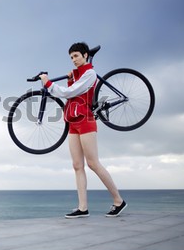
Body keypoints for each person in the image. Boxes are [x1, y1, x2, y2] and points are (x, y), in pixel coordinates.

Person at [39, 42, 127, 218]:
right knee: (77, 165)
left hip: (86, 121)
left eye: (76, 56)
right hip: (72, 122)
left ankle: (119, 201)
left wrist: (47, 83)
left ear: (85, 55)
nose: (73, 60)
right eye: (71, 57)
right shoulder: (78, 75)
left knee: (93, 163)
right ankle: (82, 208)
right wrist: (70, 78)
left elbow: (69, 93)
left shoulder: (89, 73)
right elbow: (73, 93)